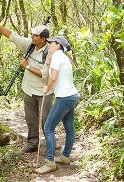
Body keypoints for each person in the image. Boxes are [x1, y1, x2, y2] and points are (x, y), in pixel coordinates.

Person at [0, 17, 54, 153]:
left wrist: (27, 66)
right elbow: (12, 35)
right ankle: (33, 144)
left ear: (43, 39)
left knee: (46, 120)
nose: (31, 36)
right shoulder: (29, 44)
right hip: (28, 89)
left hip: (44, 90)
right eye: (32, 34)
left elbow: (45, 74)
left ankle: (50, 145)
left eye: (35, 35)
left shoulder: (50, 52)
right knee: (31, 118)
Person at [35, 36, 80, 174]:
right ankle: (65, 156)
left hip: (64, 97)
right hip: (73, 96)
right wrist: (48, 64)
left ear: (58, 45)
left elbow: (53, 79)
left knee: (48, 127)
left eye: (51, 43)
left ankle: (50, 162)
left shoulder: (57, 57)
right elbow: (53, 76)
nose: (49, 45)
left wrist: (46, 89)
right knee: (69, 128)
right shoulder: (63, 58)